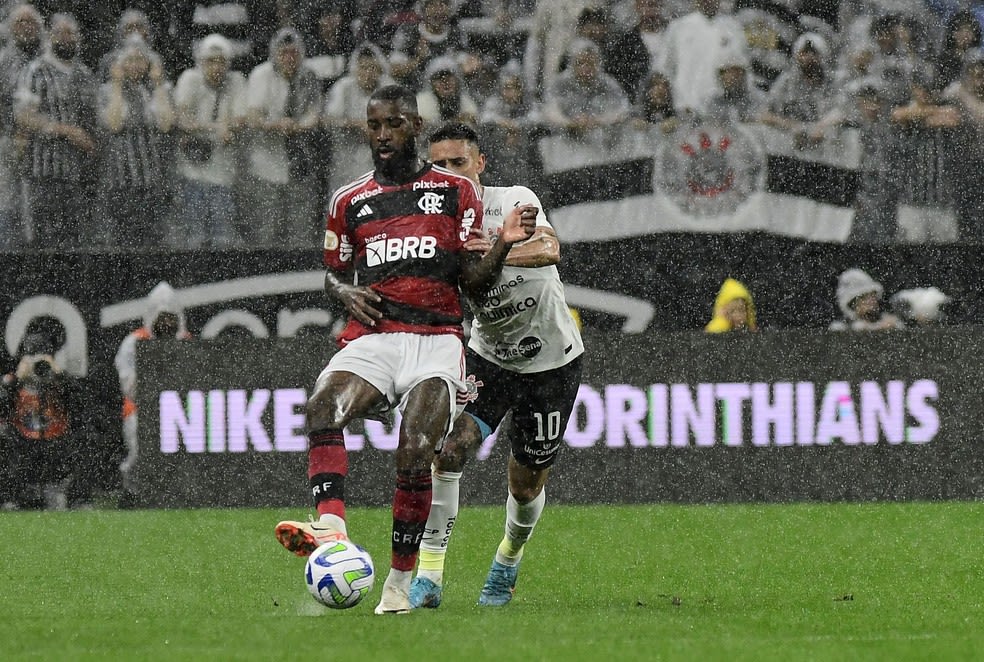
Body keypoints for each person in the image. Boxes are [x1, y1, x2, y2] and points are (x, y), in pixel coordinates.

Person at [272, 85, 536, 616]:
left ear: (414, 126)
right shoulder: (349, 201)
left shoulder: (453, 191)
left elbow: (474, 283)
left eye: (394, 124)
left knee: (415, 449)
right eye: (375, 126)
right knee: (323, 406)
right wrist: (339, 290)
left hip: (436, 341)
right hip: (373, 338)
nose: (384, 135)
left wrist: (504, 242)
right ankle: (331, 526)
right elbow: (334, 272)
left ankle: (398, 581)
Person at [407, 122, 584, 609]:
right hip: (488, 360)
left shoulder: (512, 201)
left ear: (479, 164)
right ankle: (430, 576)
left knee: (525, 486)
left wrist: (498, 253)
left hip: (552, 364)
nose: (447, 174)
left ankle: (507, 559)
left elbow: (550, 248)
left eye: (457, 163)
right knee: (449, 451)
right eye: (437, 166)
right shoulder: (432, 227)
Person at [114, 281, 192, 508]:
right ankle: (132, 492)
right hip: (140, 409)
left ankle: (177, 492)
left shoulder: (186, 343)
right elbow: (127, 383)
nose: (167, 323)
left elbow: (196, 380)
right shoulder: (134, 343)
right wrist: (155, 382)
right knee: (138, 449)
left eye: (171, 318)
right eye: (162, 318)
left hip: (178, 410)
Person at [0, 328, 85, 510]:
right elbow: (3, 407)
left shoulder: (58, 379)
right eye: (32, 356)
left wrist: (58, 374)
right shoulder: (13, 379)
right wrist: (16, 379)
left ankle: (68, 500)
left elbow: (80, 401)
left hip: (55, 441)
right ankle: (17, 500)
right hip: (23, 442)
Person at [829, 268, 904, 331]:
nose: (872, 301)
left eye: (873, 295)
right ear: (852, 303)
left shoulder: (888, 321)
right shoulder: (840, 327)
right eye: (865, 297)